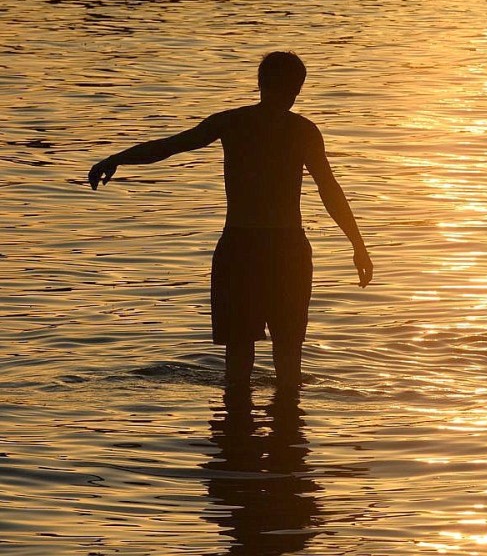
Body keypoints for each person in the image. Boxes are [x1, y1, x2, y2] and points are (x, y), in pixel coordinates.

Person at [89, 51, 373, 391]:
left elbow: (171, 146)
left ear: (262, 83)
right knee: (280, 359)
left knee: (251, 361)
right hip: (277, 250)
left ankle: (240, 432)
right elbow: (329, 189)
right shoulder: (296, 130)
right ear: (293, 88)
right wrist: (358, 245)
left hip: (248, 249)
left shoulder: (237, 123)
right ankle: (278, 430)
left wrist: (117, 158)